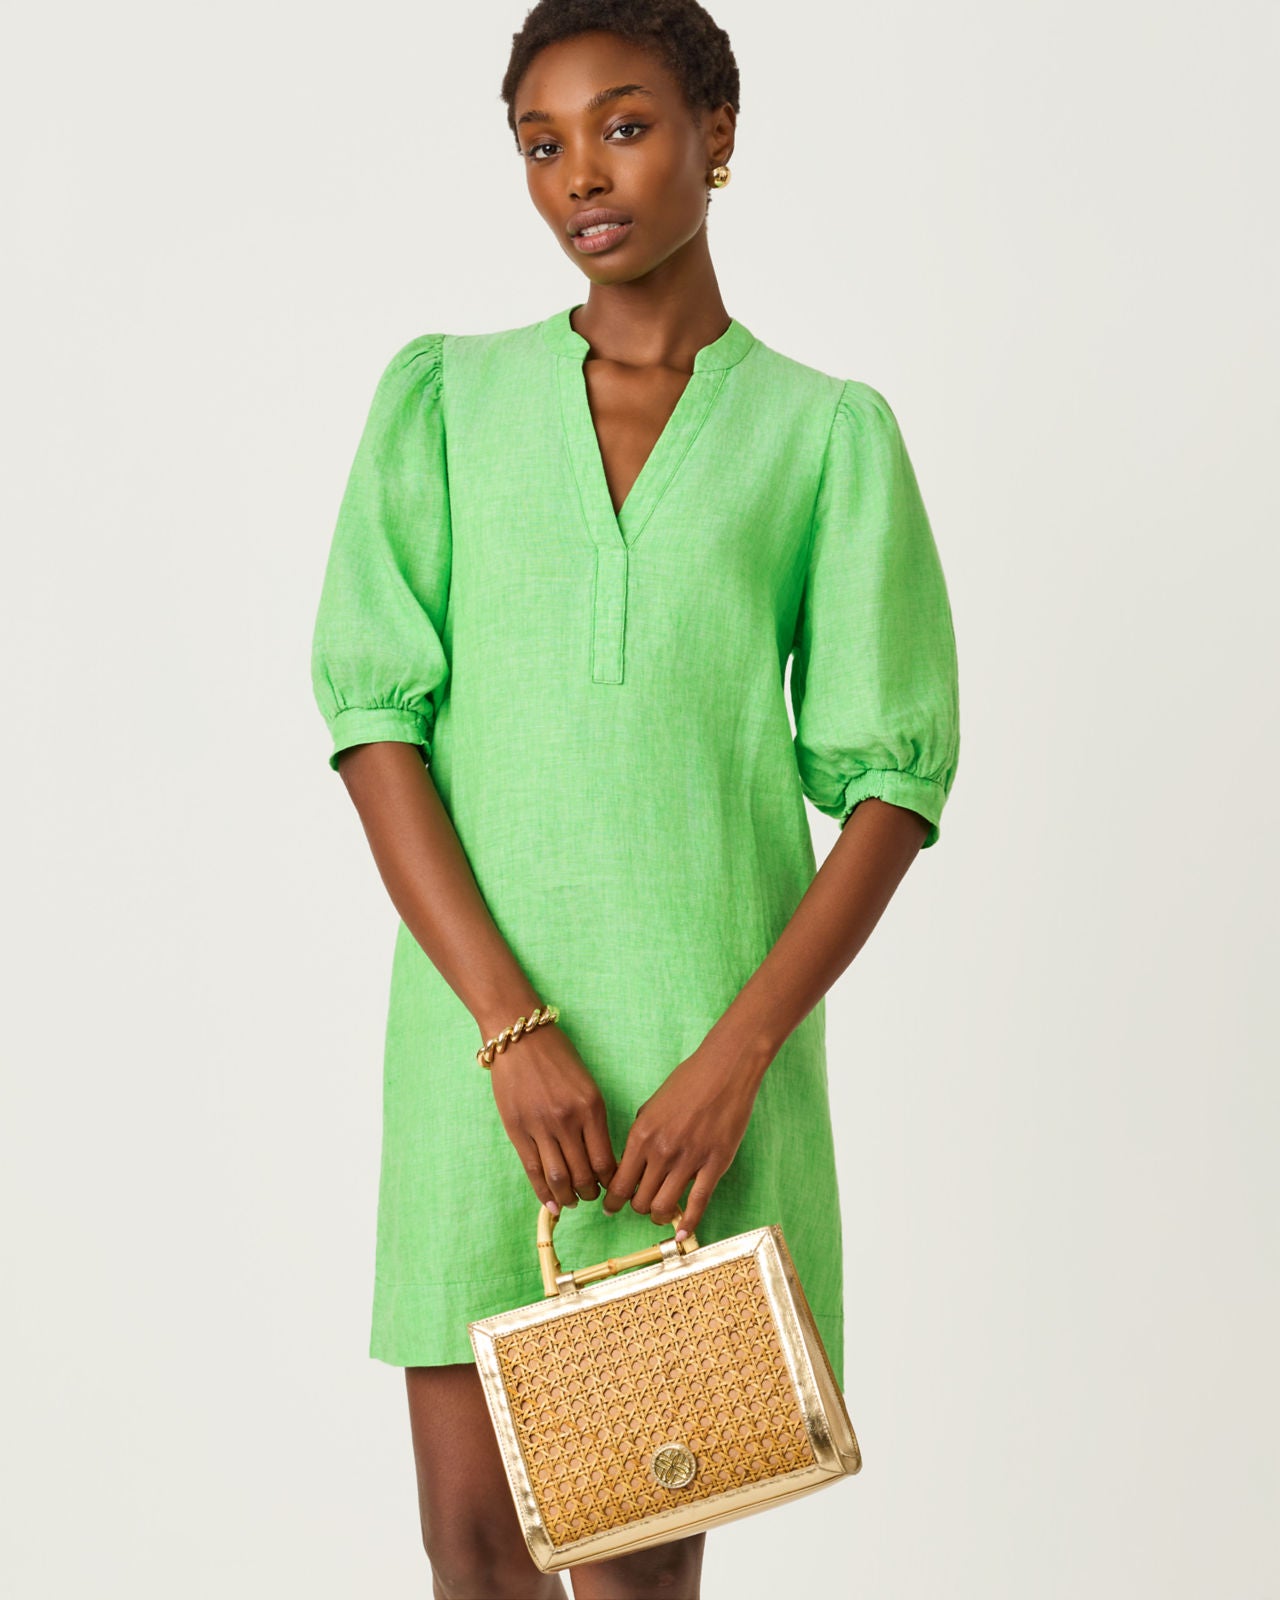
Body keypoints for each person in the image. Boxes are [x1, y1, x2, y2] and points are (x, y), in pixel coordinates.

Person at [309, 1, 961, 1594]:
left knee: (635, 1562)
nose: (581, 177)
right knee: (474, 1551)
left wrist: (736, 1066)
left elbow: (891, 781)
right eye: (542, 144)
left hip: (698, 1079)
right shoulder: (444, 401)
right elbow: (377, 723)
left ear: (716, 134)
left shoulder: (824, 436)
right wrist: (510, 1032)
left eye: (623, 126)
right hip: (482, 1062)